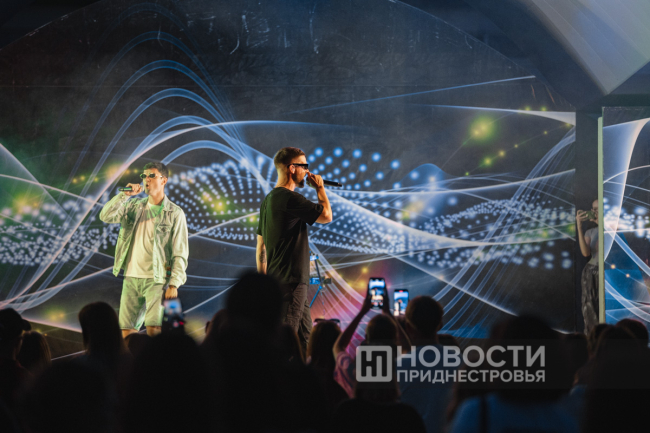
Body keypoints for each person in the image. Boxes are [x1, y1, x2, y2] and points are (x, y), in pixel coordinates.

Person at [256, 147, 333, 353]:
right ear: (292, 168)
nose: (308, 171)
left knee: (305, 338)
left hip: (280, 281)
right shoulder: (290, 198)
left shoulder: (268, 201)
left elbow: (261, 246)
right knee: (285, 339)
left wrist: (264, 283)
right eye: (304, 166)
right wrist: (320, 188)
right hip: (291, 281)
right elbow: (326, 216)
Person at [99, 162, 188, 337]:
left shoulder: (174, 213)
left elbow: (180, 253)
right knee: (126, 331)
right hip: (131, 277)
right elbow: (105, 215)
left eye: (152, 176)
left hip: (158, 279)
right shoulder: (133, 206)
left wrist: (174, 284)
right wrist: (124, 195)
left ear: (163, 180)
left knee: (155, 329)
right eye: (144, 176)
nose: (146, 179)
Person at [577, 199, 599, 334]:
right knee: (591, 308)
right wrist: (579, 227)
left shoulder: (613, 227)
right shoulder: (590, 231)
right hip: (591, 272)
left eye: (597, 209)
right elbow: (585, 253)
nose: (593, 212)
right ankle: (593, 338)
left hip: (608, 272)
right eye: (593, 209)